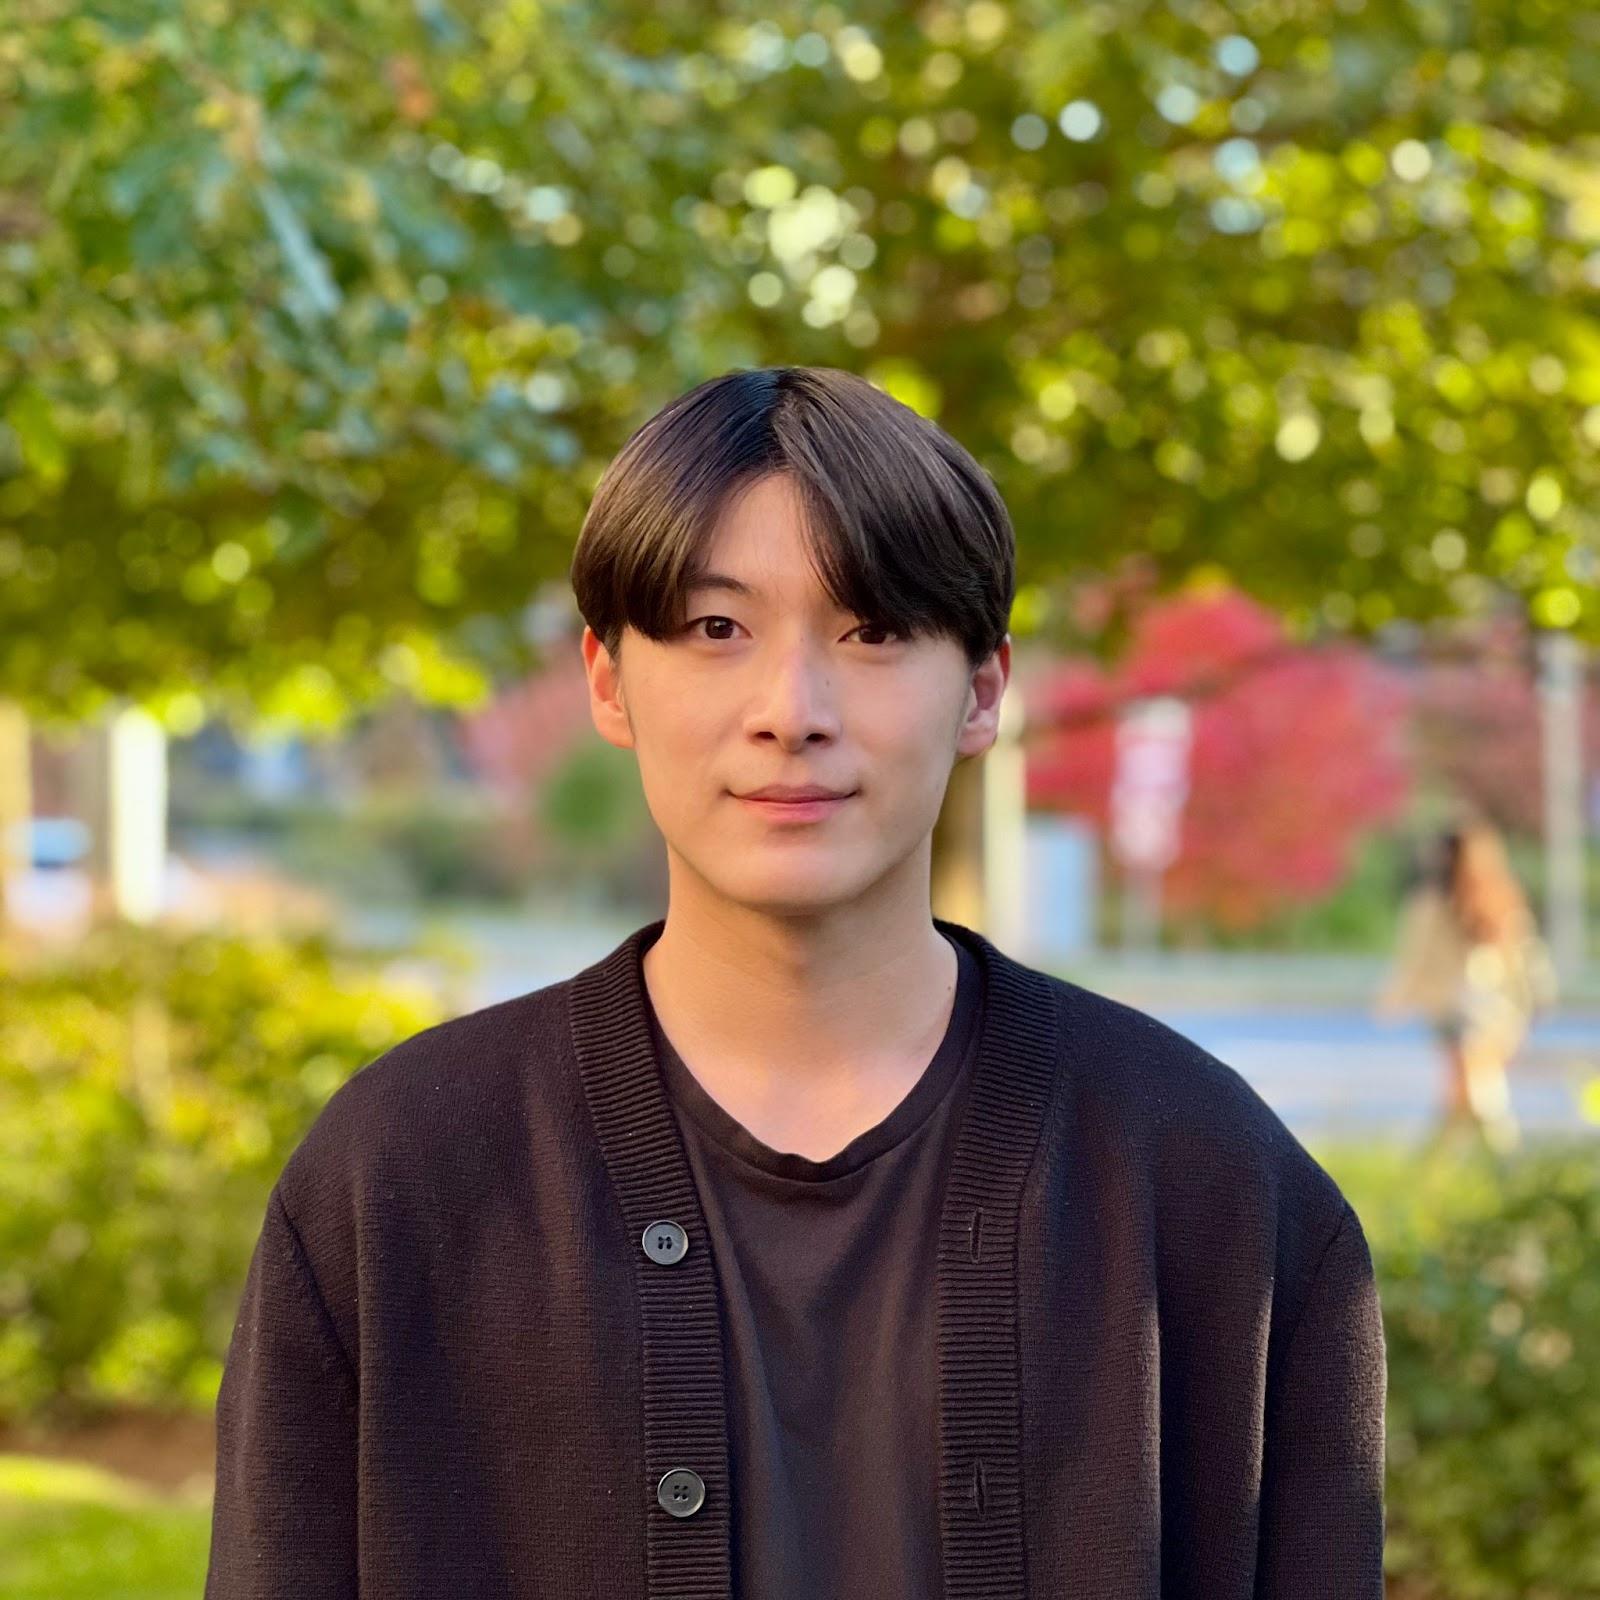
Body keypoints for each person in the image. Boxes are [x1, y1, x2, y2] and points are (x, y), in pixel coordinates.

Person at [204, 366, 1386, 1599]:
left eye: (871, 630)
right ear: (608, 680)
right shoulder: (397, 1177)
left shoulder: (1212, 1185)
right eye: (717, 629)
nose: (792, 710)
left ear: (982, 689)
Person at [1375, 817, 1557, 1153]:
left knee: (1473, 1090)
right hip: (1477, 1011)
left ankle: (1494, 1157)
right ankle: (1455, 1161)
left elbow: (1415, 957)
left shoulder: (1484, 899)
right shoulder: (1464, 899)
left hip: (1478, 1011)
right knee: (1467, 1088)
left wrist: (1394, 997)